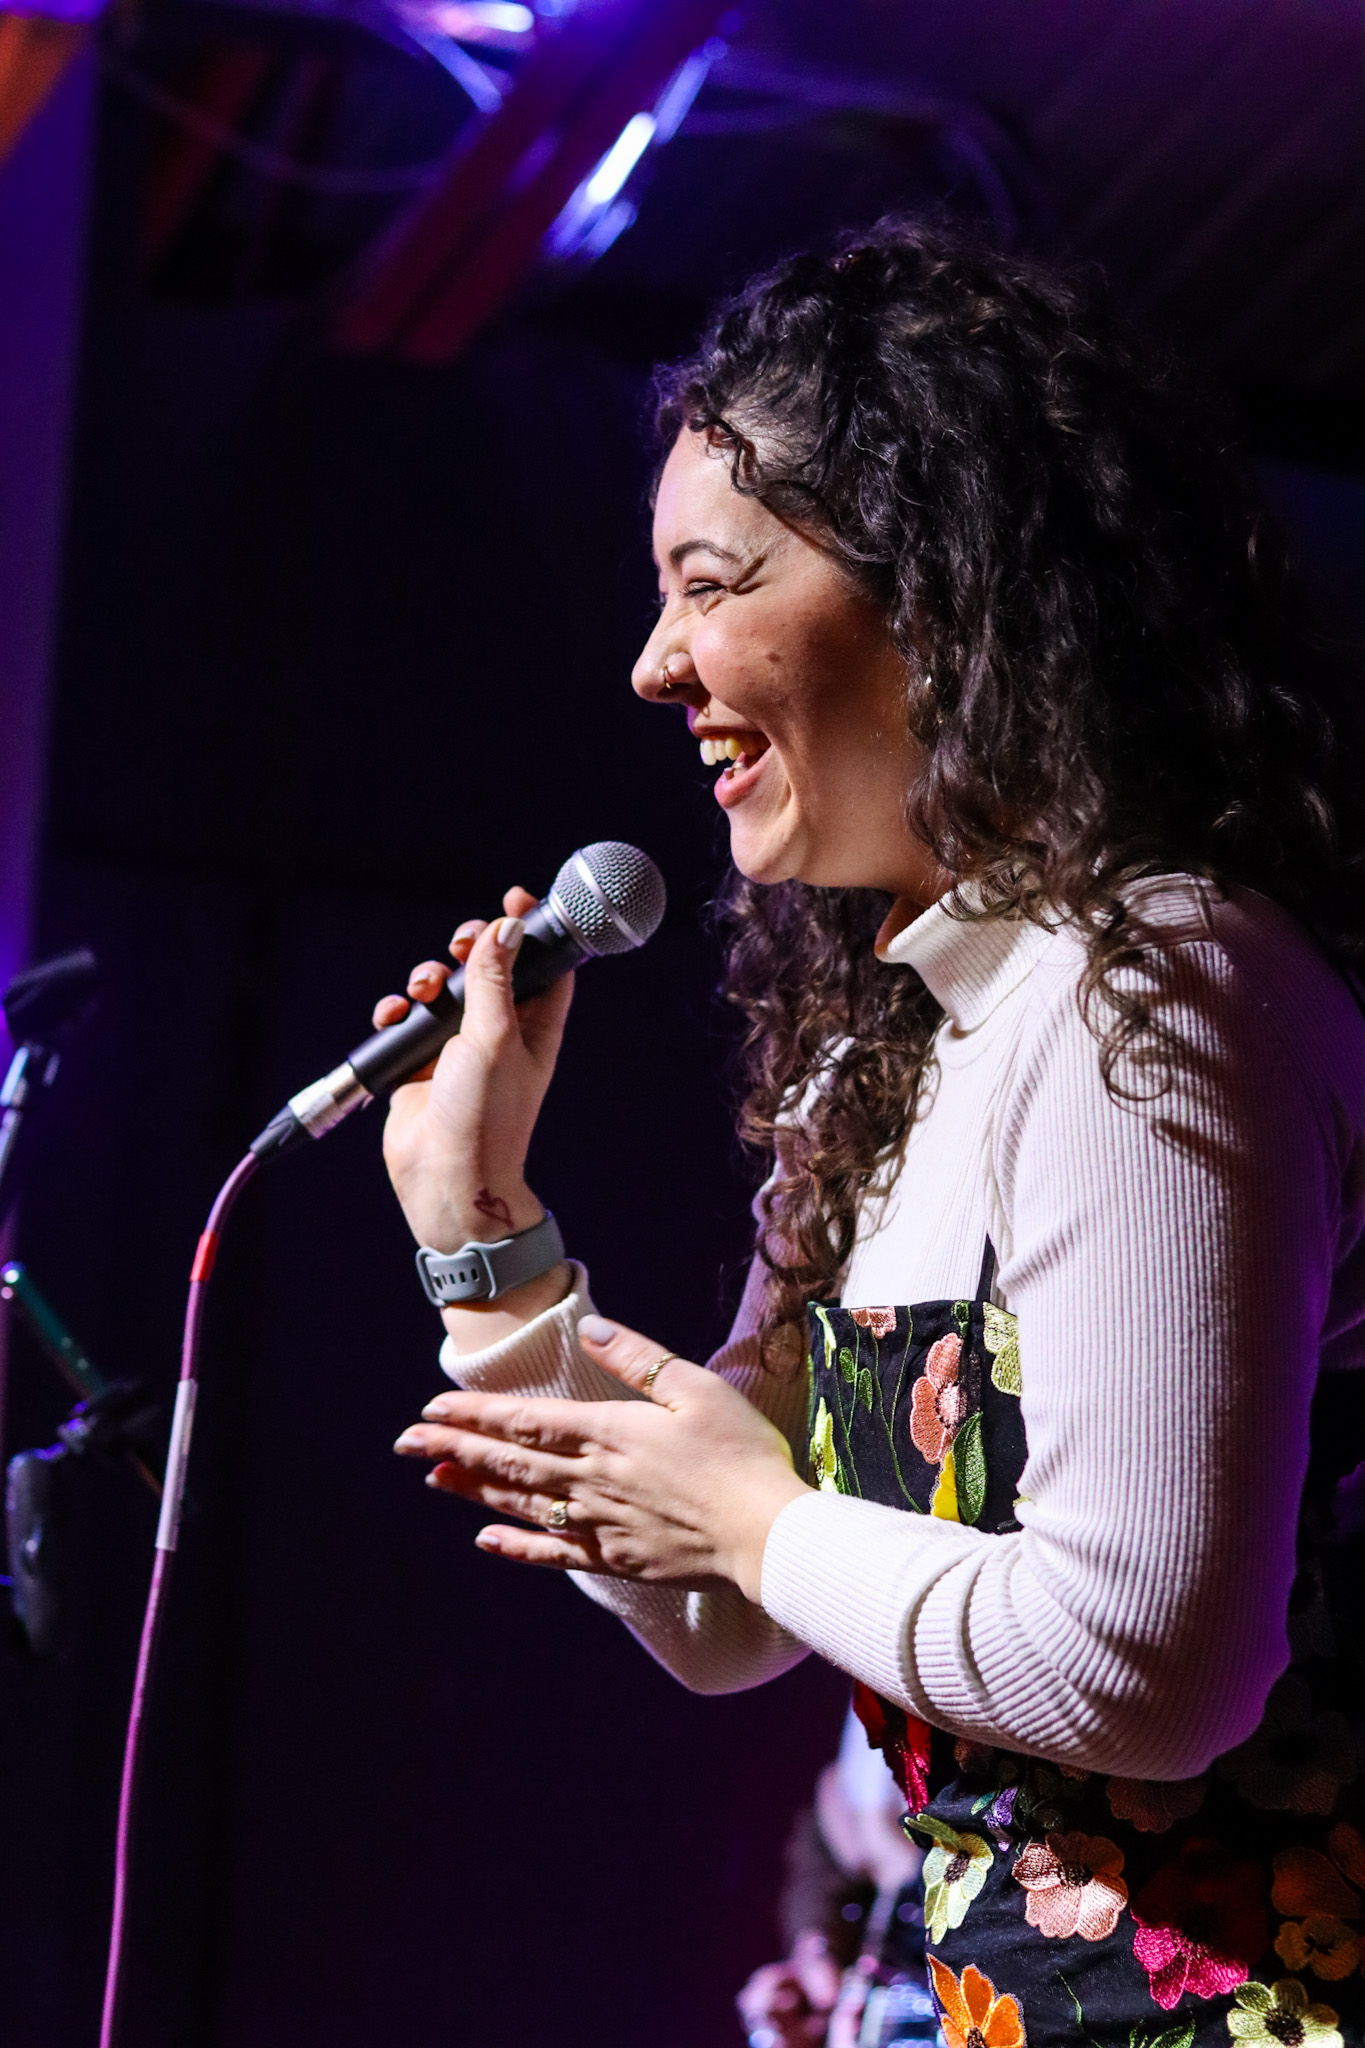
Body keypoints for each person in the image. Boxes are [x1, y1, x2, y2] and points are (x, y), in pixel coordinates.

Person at [383, 221, 1365, 2045]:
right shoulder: (893, 1058)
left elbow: (1154, 1669)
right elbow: (727, 1622)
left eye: (709, 581)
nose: (653, 664)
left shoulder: (1156, 986)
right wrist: (486, 1231)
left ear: (942, 590)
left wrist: (755, 1523)